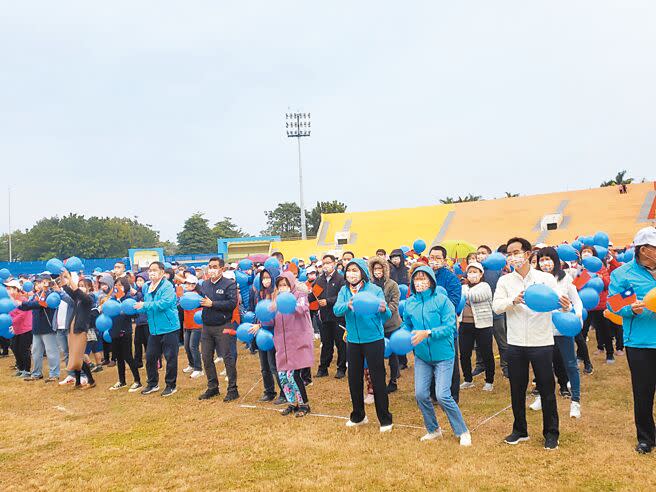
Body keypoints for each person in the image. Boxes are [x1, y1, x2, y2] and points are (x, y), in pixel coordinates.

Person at [493, 237, 561, 450]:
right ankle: (520, 430)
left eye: (516, 252)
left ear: (529, 253)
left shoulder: (545, 279)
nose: (513, 257)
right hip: (515, 343)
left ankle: (551, 433)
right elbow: (496, 307)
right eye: (509, 254)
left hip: (541, 341)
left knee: (546, 388)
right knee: (517, 388)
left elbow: (556, 304)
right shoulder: (505, 281)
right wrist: (513, 300)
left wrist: (564, 306)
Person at [405, 265, 471, 445]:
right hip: (422, 356)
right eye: (416, 279)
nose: (420, 282)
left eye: (423, 278)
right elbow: (407, 325)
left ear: (431, 281)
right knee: (420, 394)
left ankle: (462, 430)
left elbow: (450, 327)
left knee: (442, 395)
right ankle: (433, 429)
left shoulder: (442, 301)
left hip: (443, 355)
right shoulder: (410, 303)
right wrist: (402, 335)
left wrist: (427, 333)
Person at [608, 226, 656, 454]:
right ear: (644, 250)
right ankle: (646, 437)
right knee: (643, 392)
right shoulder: (624, 274)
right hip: (640, 343)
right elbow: (614, 304)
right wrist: (632, 309)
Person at [334, 258, 393, 432]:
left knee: (377, 379)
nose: (351, 274)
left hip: (373, 339)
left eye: (355, 270)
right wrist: (347, 305)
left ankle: (385, 419)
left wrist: (384, 309)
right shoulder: (344, 291)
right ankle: (358, 416)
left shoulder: (374, 290)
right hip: (352, 340)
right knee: (354, 379)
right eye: (348, 270)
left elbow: (386, 314)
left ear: (363, 273)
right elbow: (336, 310)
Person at [252, 272, 314, 416]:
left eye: (285, 285)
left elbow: (303, 309)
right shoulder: (275, 298)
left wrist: (285, 305)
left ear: (291, 284)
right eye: (280, 285)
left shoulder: (300, 295)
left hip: (297, 342)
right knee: (283, 376)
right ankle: (292, 403)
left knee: (294, 375)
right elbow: (271, 322)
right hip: (281, 343)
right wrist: (265, 317)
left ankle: (304, 404)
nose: (282, 288)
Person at [534, 247, 583, 419]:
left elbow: (577, 302)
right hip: (543, 330)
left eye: (548, 259)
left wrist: (574, 315)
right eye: (541, 259)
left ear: (555, 261)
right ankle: (542, 395)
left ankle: (575, 401)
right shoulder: (535, 280)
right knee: (543, 365)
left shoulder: (565, 279)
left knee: (570, 364)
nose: (545, 263)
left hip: (563, 328)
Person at [134, 261, 181, 397]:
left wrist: (145, 305)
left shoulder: (167, 286)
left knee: (170, 358)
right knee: (150, 357)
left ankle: (171, 385)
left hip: (169, 327)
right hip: (154, 329)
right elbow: (147, 304)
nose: (152, 273)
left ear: (161, 271)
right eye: (150, 270)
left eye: (154, 270)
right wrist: (139, 306)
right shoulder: (147, 287)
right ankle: (153, 383)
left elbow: (164, 304)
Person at [198, 257, 239, 402]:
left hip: (223, 325)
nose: (211, 269)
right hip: (207, 326)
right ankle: (213, 387)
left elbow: (232, 303)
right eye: (210, 266)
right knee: (206, 357)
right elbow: (201, 301)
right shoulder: (205, 284)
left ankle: (233, 389)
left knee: (228, 357)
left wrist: (212, 304)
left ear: (222, 269)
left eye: (214, 266)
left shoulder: (229, 284)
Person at [427, 245, 462, 403]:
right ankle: (434, 394)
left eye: (437, 258)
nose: (434, 261)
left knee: (451, 362)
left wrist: (435, 309)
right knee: (431, 360)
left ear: (444, 260)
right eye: (431, 257)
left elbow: (454, 301)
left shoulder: (450, 278)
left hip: (446, 327)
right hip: (427, 326)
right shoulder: (424, 276)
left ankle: (453, 395)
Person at [250, 265, 285, 403]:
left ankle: (284, 392)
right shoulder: (259, 294)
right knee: (264, 366)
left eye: (268, 277)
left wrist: (261, 324)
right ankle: (269, 391)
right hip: (261, 333)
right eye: (263, 278)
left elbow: (276, 316)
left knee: (274, 365)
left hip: (273, 333)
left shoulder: (278, 295)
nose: (265, 281)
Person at [368, 256, 402, 395]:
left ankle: (393, 381)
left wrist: (384, 311)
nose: (378, 271)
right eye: (375, 268)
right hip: (375, 326)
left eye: (380, 268)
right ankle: (378, 381)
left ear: (385, 269)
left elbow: (394, 303)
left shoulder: (392, 284)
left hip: (391, 324)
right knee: (377, 355)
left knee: (393, 355)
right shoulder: (369, 285)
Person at [459, 262, 495, 391]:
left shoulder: (485, 286)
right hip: (465, 324)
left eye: (475, 272)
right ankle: (468, 379)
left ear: (481, 274)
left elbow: (476, 296)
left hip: (483, 325)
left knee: (486, 353)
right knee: (464, 353)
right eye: (470, 272)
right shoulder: (464, 287)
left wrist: (463, 291)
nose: (472, 274)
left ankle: (489, 381)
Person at [59, 269, 97, 389]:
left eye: (83, 286)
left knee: (78, 356)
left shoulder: (88, 299)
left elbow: (77, 292)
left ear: (89, 288)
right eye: (80, 285)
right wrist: (62, 279)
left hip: (80, 330)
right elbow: (69, 290)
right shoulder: (78, 299)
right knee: (73, 355)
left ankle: (91, 380)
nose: (80, 288)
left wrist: (69, 277)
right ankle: (78, 381)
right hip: (72, 329)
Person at [18, 275, 60, 383]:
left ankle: (54, 374)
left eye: (41, 282)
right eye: (37, 283)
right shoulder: (36, 295)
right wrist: (19, 304)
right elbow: (29, 305)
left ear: (48, 282)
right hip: (36, 328)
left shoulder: (52, 294)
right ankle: (36, 373)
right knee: (36, 352)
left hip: (48, 327)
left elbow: (41, 304)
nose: (38, 284)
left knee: (51, 352)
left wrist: (23, 304)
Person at [475, 244, 509, 378]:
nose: (480, 255)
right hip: (479, 312)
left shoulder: (497, 271)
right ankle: (480, 364)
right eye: (478, 253)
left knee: (502, 340)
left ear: (490, 255)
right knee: (479, 342)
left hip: (496, 312)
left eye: (483, 252)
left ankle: (506, 366)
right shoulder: (475, 270)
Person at [105, 276, 142, 392]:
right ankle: (122, 381)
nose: (117, 287)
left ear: (125, 286)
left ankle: (137, 381)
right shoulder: (112, 299)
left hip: (125, 331)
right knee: (118, 357)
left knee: (128, 357)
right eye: (116, 285)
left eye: (120, 285)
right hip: (114, 331)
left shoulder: (128, 299)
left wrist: (124, 310)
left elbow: (135, 315)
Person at [314, 254, 347, 379]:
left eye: (328, 263)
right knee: (326, 343)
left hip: (338, 317)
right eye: (324, 263)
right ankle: (323, 368)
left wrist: (328, 301)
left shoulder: (340, 279)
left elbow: (342, 296)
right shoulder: (319, 279)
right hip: (324, 317)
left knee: (340, 343)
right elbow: (314, 294)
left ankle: (341, 368)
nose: (326, 266)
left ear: (334, 263)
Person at [6, 281, 32, 378]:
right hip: (16, 329)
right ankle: (20, 368)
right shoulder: (11, 301)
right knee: (14, 347)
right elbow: (9, 312)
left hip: (25, 329)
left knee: (23, 349)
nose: (9, 290)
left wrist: (10, 321)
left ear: (17, 289)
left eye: (11, 288)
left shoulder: (23, 300)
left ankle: (27, 370)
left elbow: (22, 315)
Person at [181, 275, 204, 379]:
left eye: (191, 284)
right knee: (187, 346)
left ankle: (199, 369)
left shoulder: (198, 296)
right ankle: (191, 364)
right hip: (187, 324)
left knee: (193, 346)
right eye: (187, 283)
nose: (188, 285)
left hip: (196, 325)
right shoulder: (185, 295)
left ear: (195, 285)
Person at [133, 273, 149, 368]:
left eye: (141, 280)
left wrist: (136, 293)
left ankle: (154, 362)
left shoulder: (147, 292)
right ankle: (138, 363)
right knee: (137, 342)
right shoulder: (136, 293)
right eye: (137, 280)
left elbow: (145, 300)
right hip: (139, 322)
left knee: (148, 343)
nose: (139, 282)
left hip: (147, 322)